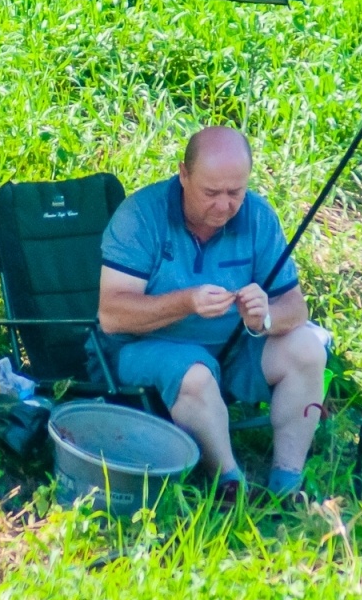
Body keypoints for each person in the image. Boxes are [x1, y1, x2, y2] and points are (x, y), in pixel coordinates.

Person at [95, 126, 328, 500]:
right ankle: (230, 482)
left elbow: (295, 307)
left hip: (234, 346)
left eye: (235, 193)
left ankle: (288, 484)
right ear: (183, 175)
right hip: (144, 347)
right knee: (196, 375)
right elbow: (113, 314)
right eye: (211, 193)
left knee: (307, 348)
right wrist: (186, 302)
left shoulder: (257, 217)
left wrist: (263, 317)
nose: (223, 206)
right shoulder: (140, 215)